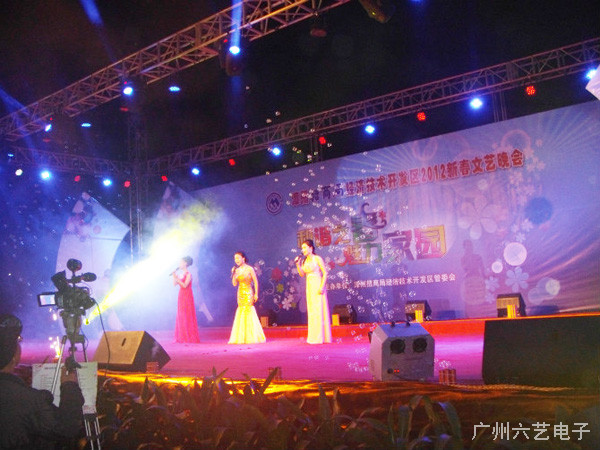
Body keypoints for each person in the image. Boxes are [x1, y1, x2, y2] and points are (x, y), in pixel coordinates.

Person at [0, 313, 84, 450]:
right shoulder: (28, 400)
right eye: (18, 340)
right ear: (13, 356)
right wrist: (69, 385)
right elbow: (67, 428)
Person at [295, 239, 332, 344]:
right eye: (302, 248)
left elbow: (325, 273)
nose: (303, 250)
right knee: (312, 311)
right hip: (309, 286)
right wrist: (298, 264)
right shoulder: (304, 261)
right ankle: (313, 336)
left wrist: (322, 286)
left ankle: (321, 337)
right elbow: (302, 274)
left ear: (311, 248)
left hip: (317, 285)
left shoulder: (317, 258)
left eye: (304, 247)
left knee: (318, 309)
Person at [228, 251, 266, 344]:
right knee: (241, 311)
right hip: (240, 293)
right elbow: (234, 284)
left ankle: (251, 336)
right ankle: (241, 337)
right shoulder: (236, 270)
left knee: (248, 311)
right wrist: (233, 274)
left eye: (238, 258)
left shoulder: (250, 269)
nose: (236, 260)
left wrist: (256, 294)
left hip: (248, 292)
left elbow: (255, 281)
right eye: (235, 258)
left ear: (243, 258)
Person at [172, 256, 201, 343]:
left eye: (181, 262)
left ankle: (188, 336)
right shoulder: (180, 274)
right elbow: (174, 284)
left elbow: (185, 285)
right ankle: (181, 336)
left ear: (185, 263)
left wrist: (177, 279)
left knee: (186, 314)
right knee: (181, 314)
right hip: (181, 295)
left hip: (187, 295)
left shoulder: (189, 274)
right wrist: (174, 276)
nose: (179, 264)